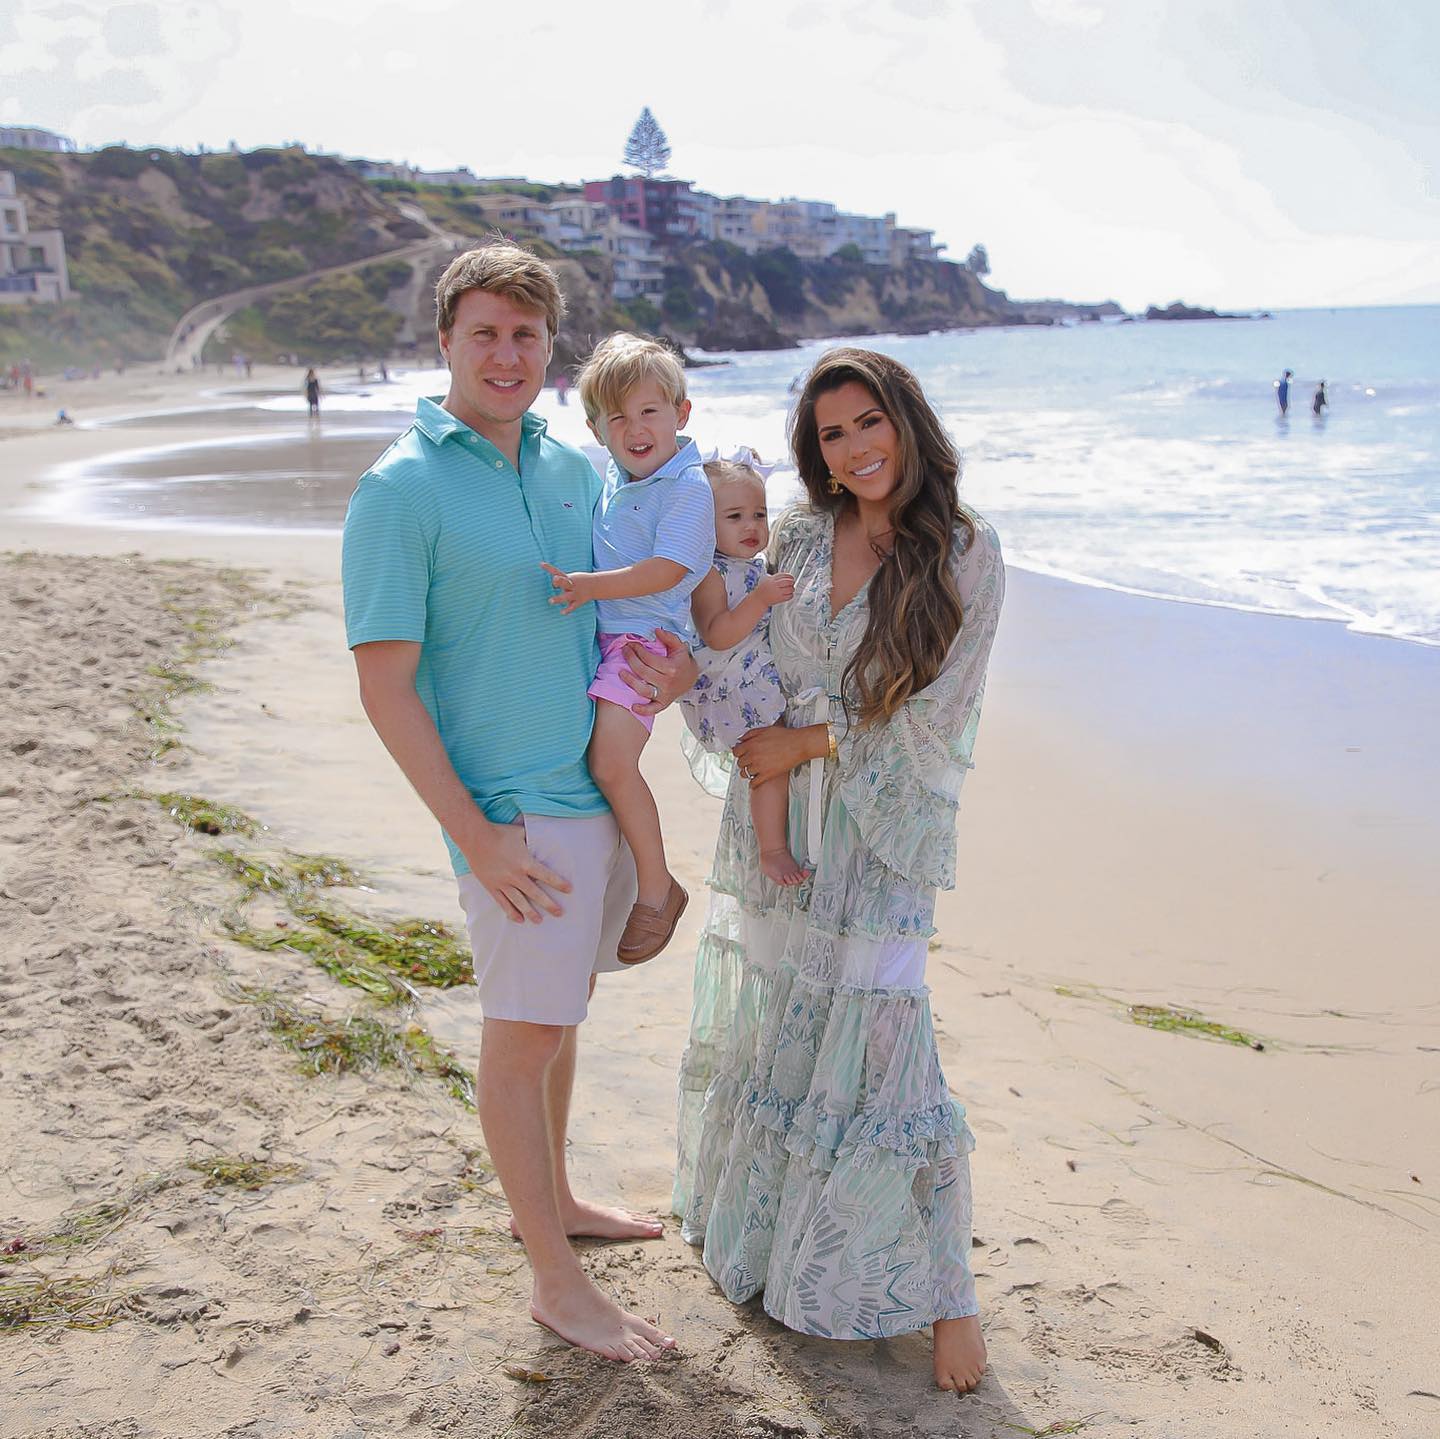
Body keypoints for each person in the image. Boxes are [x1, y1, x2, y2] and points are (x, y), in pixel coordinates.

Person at [342, 243, 695, 1364]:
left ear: (551, 350)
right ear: (443, 339)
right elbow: (385, 687)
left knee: (564, 1011)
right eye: (486, 331)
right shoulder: (399, 488)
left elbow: (613, 617)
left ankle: (558, 1197)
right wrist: (476, 834)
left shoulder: (570, 468)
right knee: (523, 1031)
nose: (507, 353)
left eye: (527, 335)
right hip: (510, 813)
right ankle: (553, 1275)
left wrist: (673, 672)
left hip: (588, 787)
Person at [673, 347, 1004, 1395]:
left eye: (869, 421)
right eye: (831, 433)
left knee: (887, 1038)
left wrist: (802, 748)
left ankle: (952, 1296)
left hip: (875, 824)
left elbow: (938, 711)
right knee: (781, 1021)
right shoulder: (803, 535)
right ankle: (780, 1250)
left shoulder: (963, 550)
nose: (855, 447)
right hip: (773, 814)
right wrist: (710, 698)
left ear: (906, 418)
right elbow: (737, 635)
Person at [539, 334, 714, 964]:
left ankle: (657, 889)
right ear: (596, 427)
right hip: (607, 639)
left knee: (612, 765)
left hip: (644, 645)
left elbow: (669, 569)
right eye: (618, 417)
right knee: (597, 764)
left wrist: (589, 588)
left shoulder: (687, 487)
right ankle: (619, 878)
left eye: (649, 412)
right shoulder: (615, 477)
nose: (635, 429)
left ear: (680, 415)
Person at [683, 454, 804, 884]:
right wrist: (760, 600)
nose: (752, 526)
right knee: (768, 764)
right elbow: (717, 633)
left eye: (759, 514)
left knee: (776, 761)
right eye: (734, 517)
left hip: (750, 674)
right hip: (730, 684)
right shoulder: (709, 575)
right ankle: (772, 849)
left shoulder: (748, 567)